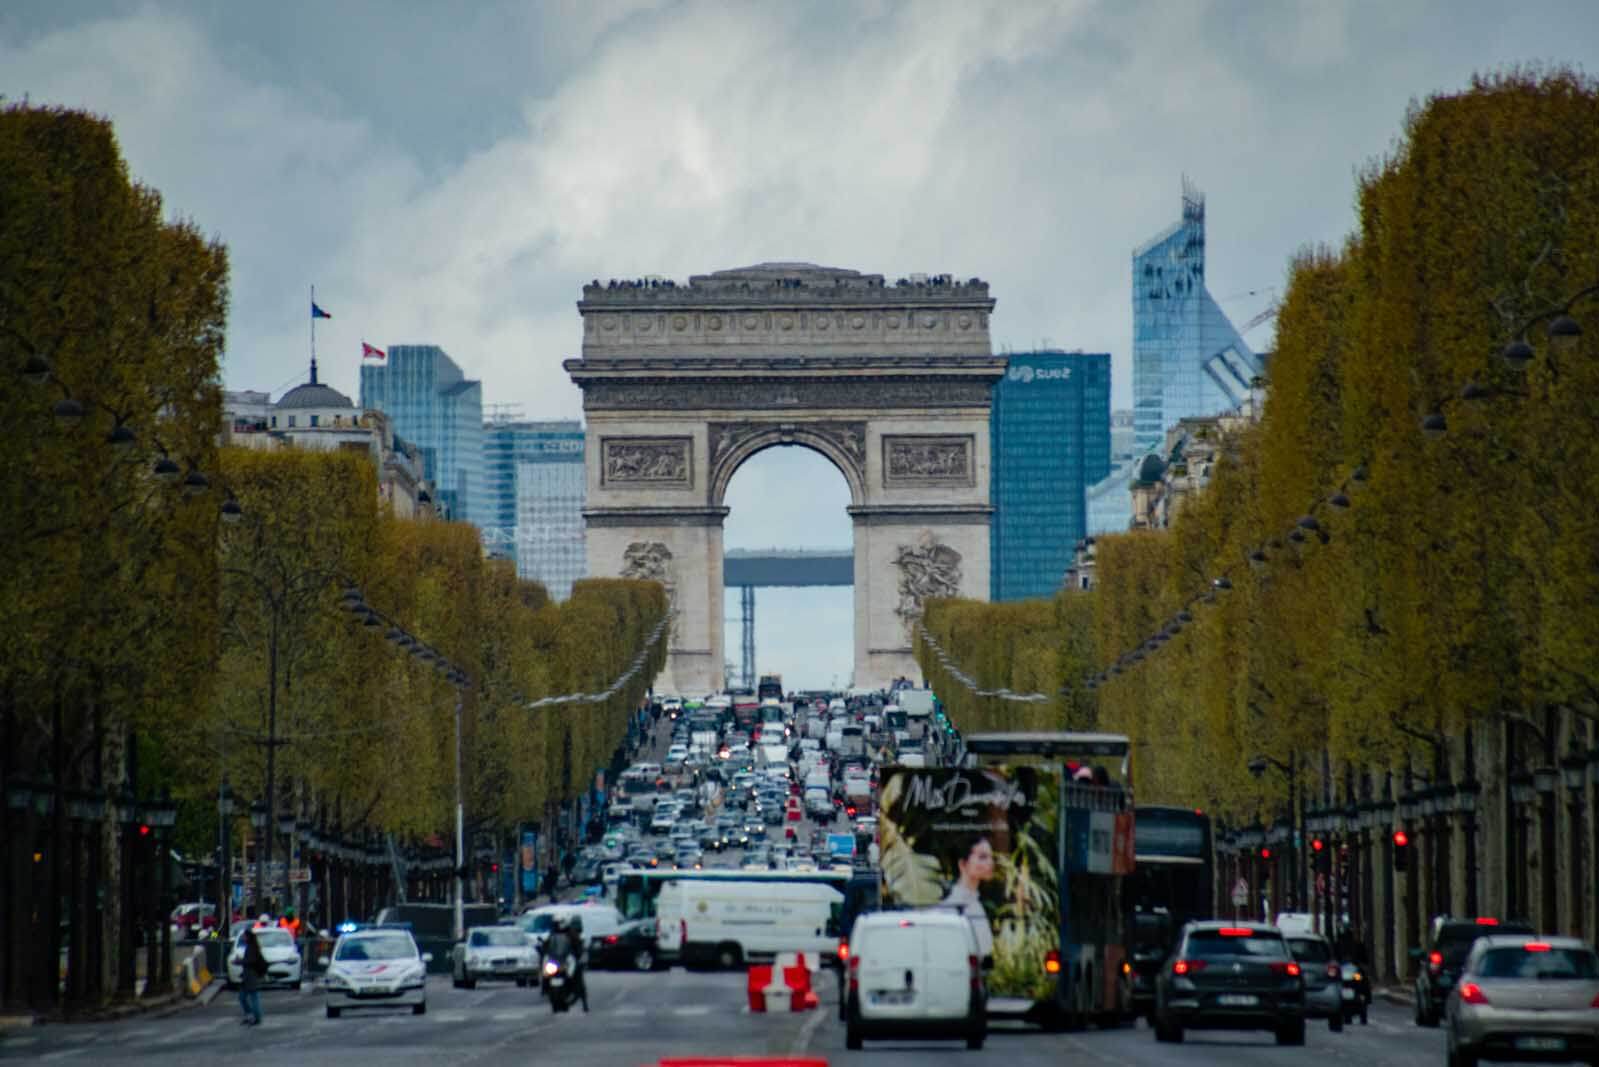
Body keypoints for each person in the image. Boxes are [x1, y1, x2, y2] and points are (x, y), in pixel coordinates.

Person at [941, 834, 995, 959]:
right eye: (982, 857)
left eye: (991, 857)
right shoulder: (951, 908)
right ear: (963, 864)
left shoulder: (975, 904)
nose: (990, 863)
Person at [543, 916, 589, 1012]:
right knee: (545, 972)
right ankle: (545, 988)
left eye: (558, 923)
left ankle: (584, 1002)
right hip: (556, 959)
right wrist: (543, 949)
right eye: (555, 923)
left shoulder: (572, 933)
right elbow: (547, 944)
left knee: (578, 976)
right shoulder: (552, 934)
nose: (557, 925)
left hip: (568, 959)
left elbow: (578, 944)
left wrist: (578, 953)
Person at [238, 927, 268, 1025]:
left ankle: (256, 1017)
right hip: (248, 976)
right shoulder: (251, 947)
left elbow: (251, 961)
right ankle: (251, 1015)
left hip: (251, 976)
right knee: (243, 997)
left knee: (253, 997)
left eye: (244, 936)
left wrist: (240, 961)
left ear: (248, 937)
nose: (243, 938)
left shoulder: (251, 948)